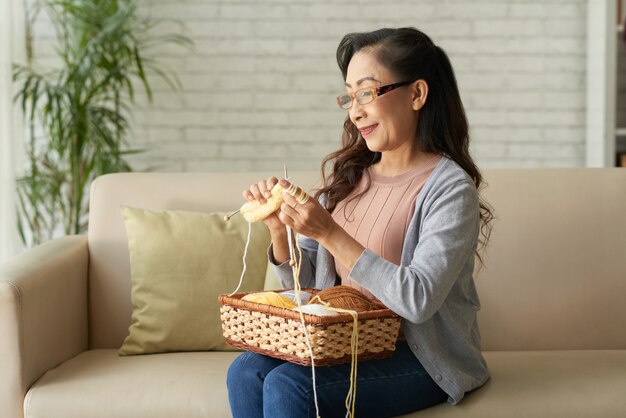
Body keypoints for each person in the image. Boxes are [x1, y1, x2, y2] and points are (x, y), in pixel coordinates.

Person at [227, 27, 494, 418]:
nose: (355, 110)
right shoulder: (349, 179)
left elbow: (418, 300)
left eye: (367, 92)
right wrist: (278, 231)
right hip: (342, 343)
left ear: (417, 94)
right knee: (245, 372)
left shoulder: (450, 190)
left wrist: (330, 233)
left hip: (420, 358)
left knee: (290, 387)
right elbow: (307, 296)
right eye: (350, 96)